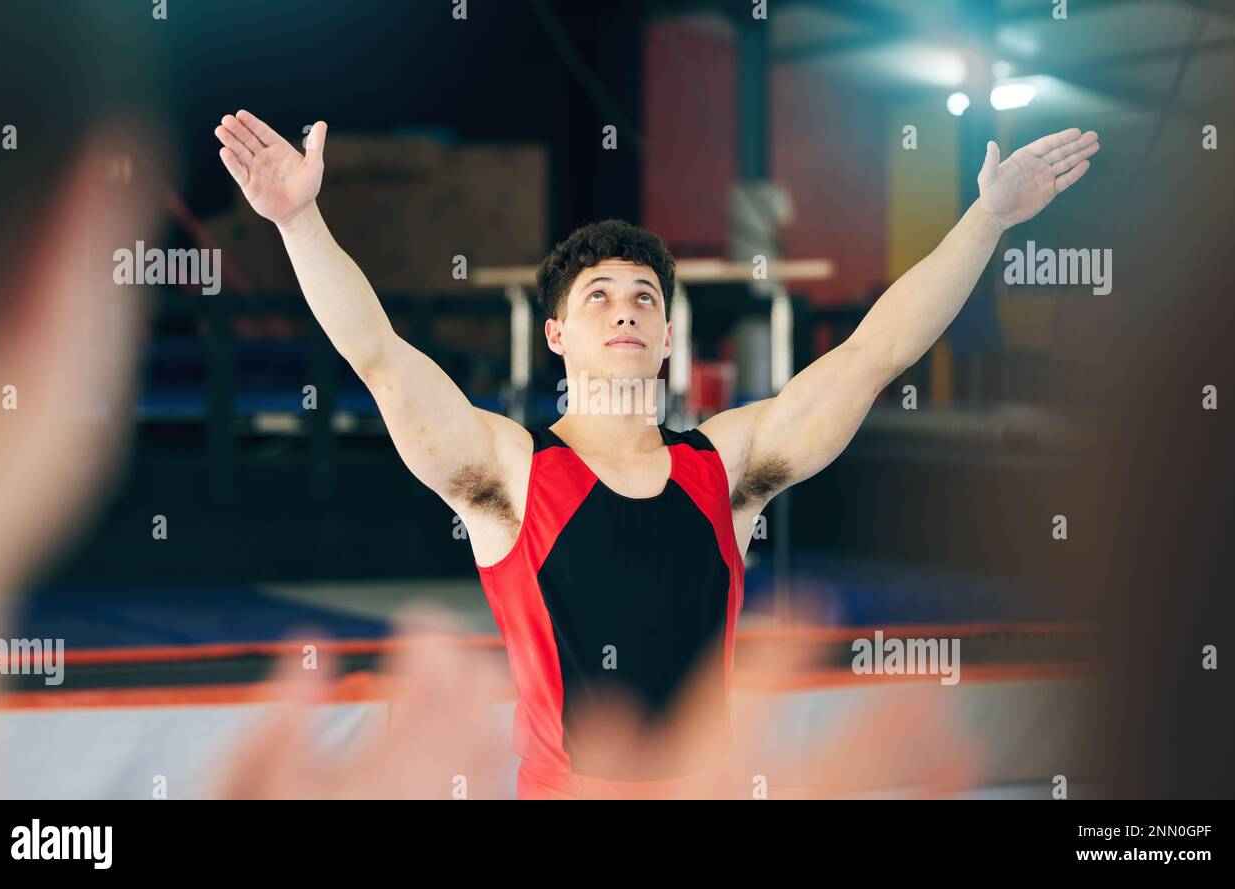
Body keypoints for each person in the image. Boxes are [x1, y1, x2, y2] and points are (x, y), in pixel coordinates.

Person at [214, 109, 1097, 798]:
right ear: (556, 334)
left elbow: (874, 357)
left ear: (670, 333)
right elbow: (379, 355)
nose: (626, 308)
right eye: (598, 297)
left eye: (644, 295)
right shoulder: (513, 476)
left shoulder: (728, 468)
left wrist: (986, 220)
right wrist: (299, 224)